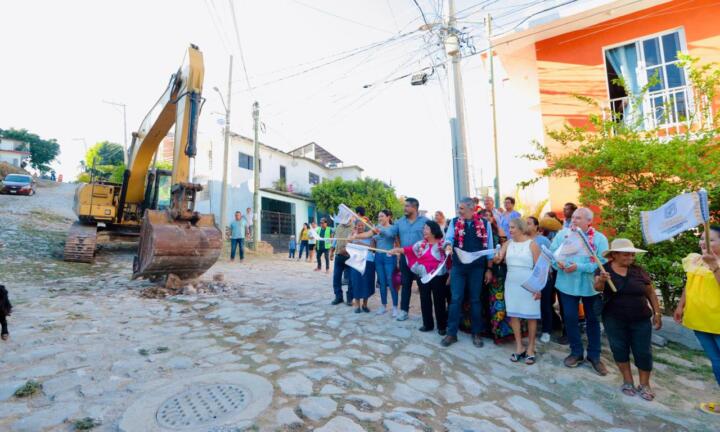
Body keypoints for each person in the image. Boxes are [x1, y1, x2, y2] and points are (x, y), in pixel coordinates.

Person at [594, 238, 661, 401]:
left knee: (643, 352)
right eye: (626, 255)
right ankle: (628, 381)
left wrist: (657, 313)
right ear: (614, 255)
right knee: (619, 349)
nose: (630, 258)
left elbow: (650, 292)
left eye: (632, 255)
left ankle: (645, 384)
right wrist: (602, 280)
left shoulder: (639, 271)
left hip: (640, 319)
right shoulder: (603, 270)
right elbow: (597, 288)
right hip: (614, 318)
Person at [550, 207, 609, 375]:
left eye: (578, 218)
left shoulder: (599, 239)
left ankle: (594, 356)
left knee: (593, 320)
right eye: (573, 218)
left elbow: (602, 263)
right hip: (566, 285)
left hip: (590, 287)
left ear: (589, 221)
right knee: (569, 318)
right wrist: (558, 264)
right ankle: (576, 352)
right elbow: (552, 254)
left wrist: (579, 267)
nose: (573, 220)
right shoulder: (563, 235)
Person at [358, 198, 429, 322]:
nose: (404, 208)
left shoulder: (425, 221)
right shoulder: (399, 222)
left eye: (407, 206)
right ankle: (403, 311)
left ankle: (426, 315)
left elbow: (432, 236)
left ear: (414, 207)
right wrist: (378, 231)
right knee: (405, 285)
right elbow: (391, 233)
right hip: (404, 258)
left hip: (420, 259)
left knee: (423, 287)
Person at [674, 225, 720, 415]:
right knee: (716, 362)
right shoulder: (694, 259)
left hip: (718, 322)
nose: (703, 242)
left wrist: (715, 265)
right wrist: (680, 305)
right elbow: (690, 283)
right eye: (702, 238)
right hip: (699, 320)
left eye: (711, 239)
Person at [442, 197, 495, 348]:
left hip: (477, 268)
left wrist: (489, 269)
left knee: (475, 300)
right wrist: (447, 246)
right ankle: (451, 333)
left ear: (472, 209)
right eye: (459, 208)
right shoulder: (454, 222)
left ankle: (476, 333)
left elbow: (489, 248)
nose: (459, 211)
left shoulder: (485, 224)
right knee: (455, 299)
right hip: (458, 267)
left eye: (462, 209)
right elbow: (449, 239)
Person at [496, 218, 541, 364]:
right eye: (509, 227)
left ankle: (531, 348)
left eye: (513, 227)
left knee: (531, 316)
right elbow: (498, 259)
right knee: (514, 315)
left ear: (521, 228)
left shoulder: (532, 244)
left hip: (529, 284)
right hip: (511, 283)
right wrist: (496, 257)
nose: (510, 230)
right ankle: (519, 347)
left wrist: (538, 287)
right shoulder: (508, 243)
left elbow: (540, 268)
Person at [391, 220, 449, 334]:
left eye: (426, 228)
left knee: (439, 301)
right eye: (424, 229)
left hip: (438, 276)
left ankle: (442, 326)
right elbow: (407, 250)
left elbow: (449, 256)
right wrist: (396, 249)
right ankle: (427, 324)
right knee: (424, 300)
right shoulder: (421, 244)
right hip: (423, 276)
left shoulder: (443, 244)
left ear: (433, 230)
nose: (424, 231)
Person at [528, 216, 557, 344]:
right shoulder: (522, 240)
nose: (526, 225)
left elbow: (552, 256)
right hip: (528, 276)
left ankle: (546, 331)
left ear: (536, 226)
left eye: (529, 223)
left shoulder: (543, 240)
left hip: (543, 276)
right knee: (531, 303)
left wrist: (548, 271)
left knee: (545, 303)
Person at [374, 210, 398, 316]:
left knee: (391, 282)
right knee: (382, 283)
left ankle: (395, 307)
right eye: (379, 216)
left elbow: (392, 238)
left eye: (382, 216)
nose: (380, 218)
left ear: (388, 217)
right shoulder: (376, 227)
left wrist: (398, 256)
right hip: (378, 257)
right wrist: (356, 236)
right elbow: (370, 236)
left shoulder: (392, 228)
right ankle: (383, 306)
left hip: (389, 257)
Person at [350, 219, 376, 313]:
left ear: (365, 226)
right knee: (356, 283)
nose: (360, 227)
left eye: (362, 225)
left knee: (367, 283)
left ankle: (365, 304)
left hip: (368, 261)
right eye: (358, 225)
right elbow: (348, 243)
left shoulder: (369, 235)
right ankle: (357, 305)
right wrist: (354, 237)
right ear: (356, 226)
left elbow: (373, 248)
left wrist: (361, 243)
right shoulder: (352, 235)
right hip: (356, 261)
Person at [331, 217, 355, 306]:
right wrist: (332, 250)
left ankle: (350, 298)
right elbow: (335, 240)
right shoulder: (339, 227)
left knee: (351, 279)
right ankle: (338, 297)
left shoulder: (354, 227)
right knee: (336, 278)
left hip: (350, 257)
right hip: (338, 256)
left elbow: (355, 241)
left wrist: (346, 249)